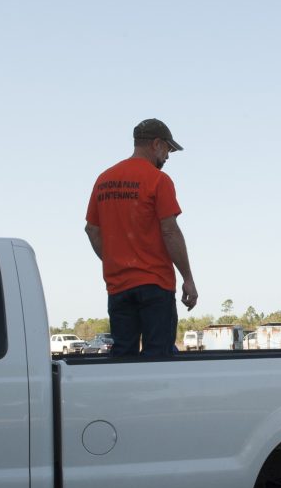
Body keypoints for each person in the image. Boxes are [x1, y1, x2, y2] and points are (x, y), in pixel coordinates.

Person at [85, 118, 198, 358]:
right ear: (156, 144)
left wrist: (115, 260)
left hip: (118, 289)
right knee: (158, 357)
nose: (167, 157)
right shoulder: (158, 180)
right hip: (155, 285)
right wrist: (187, 277)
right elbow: (169, 230)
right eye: (168, 149)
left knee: (123, 356)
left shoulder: (104, 180)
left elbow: (92, 230)